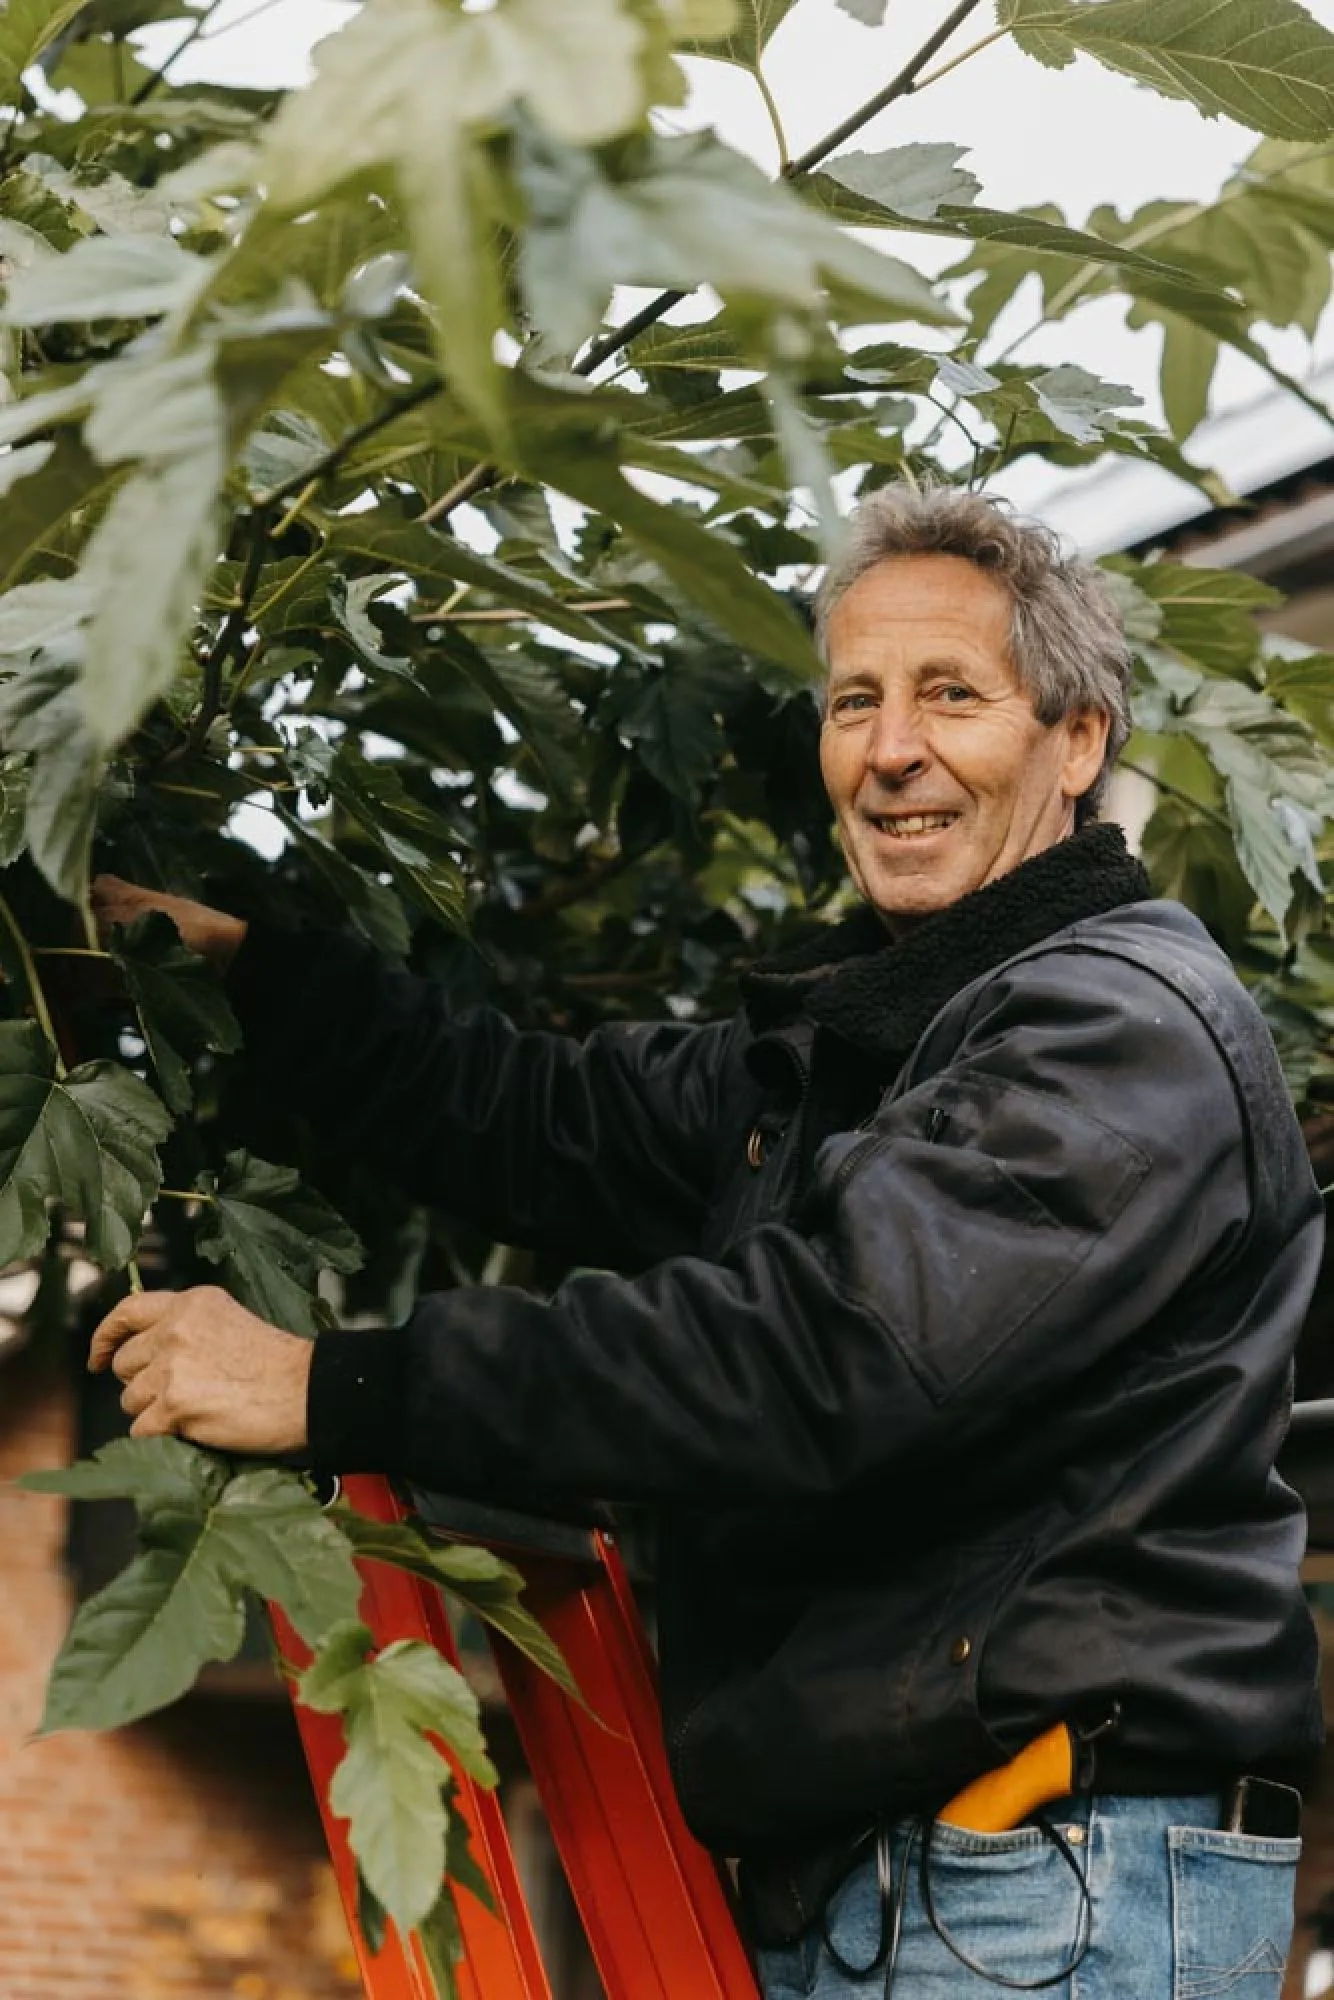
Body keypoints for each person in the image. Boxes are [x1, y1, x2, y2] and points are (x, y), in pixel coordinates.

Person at [89, 484, 1322, 1998]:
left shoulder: (1109, 1030)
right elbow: (536, 1111)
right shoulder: (879, 1043)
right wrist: (249, 977)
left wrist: (331, 1386)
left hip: (1038, 1886)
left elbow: (816, 1356)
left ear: (1075, 742)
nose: (889, 752)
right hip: (910, 1887)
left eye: (952, 696)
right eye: (852, 701)